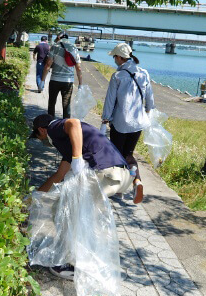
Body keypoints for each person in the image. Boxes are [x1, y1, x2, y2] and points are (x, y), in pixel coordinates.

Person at [30, 113, 142, 279]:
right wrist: (34, 197)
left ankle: (73, 264)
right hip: (121, 176)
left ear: (41, 129)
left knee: (69, 213)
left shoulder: (54, 127)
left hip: (105, 174)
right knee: (78, 213)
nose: (43, 142)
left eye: (40, 137)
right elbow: (58, 175)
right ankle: (88, 259)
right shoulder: (72, 144)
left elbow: (73, 123)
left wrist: (77, 159)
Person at [101, 42, 155, 204]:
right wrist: (146, 112)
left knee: (117, 155)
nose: (114, 60)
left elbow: (110, 100)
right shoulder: (143, 73)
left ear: (119, 57)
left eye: (114, 57)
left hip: (120, 122)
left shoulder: (117, 76)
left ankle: (119, 191)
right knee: (129, 154)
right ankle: (136, 181)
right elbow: (150, 101)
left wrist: (105, 118)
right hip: (138, 123)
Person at [42, 33, 83, 118]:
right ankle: (66, 126)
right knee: (66, 104)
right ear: (68, 38)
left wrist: (43, 80)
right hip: (68, 82)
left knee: (52, 103)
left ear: (59, 38)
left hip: (55, 80)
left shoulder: (55, 47)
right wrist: (80, 83)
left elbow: (48, 65)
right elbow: (78, 68)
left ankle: (50, 124)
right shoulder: (74, 48)